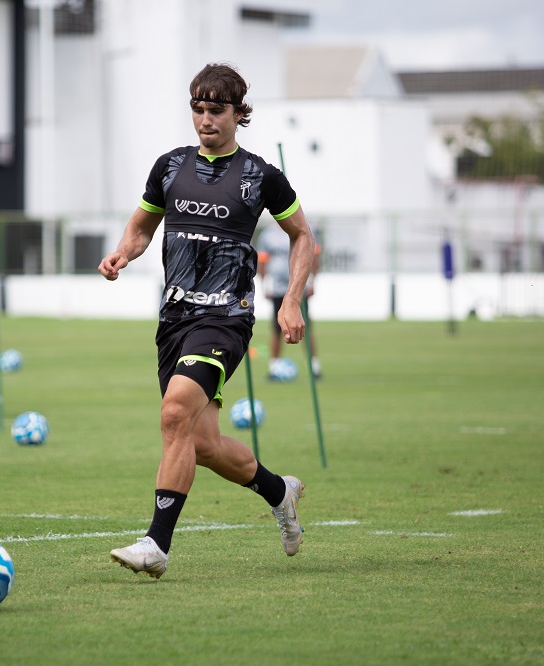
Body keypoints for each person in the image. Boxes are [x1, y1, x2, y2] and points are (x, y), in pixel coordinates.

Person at [98, 63, 315, 577]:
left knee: (175, 413)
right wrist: (121, 255)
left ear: (240, 114)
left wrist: (291, 300)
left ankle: (156, 544)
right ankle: (279, 490)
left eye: (216, 110)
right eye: (197, 108)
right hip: (174, 318)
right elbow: (141, 227)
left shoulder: (260, 174)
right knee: (202, 444)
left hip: (225, 319)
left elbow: (303, 236)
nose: (205, 119)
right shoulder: (169, 167)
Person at [257, 224, 321, 378]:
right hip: (278, 289)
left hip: (299, 289)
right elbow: (262, 261)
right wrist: (264, 284)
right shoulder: (268, 234)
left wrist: (312, 281)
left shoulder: (304, 229)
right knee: (276, 328)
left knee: (305, 326)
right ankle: (274, 367)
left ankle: (314, 367)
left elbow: (314, 256)